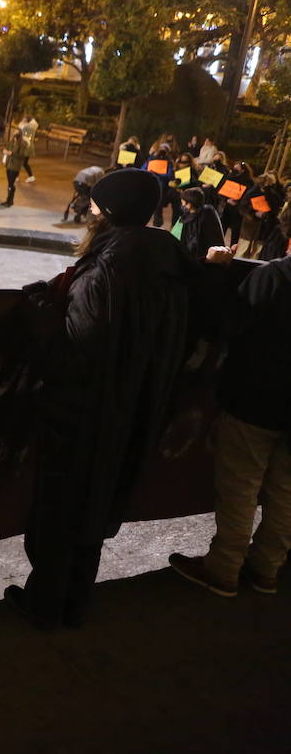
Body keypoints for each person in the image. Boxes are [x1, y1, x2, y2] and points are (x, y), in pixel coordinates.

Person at [6, 169, 198, 631]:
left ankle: (46, 604)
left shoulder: (106, 272)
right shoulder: (169, 261)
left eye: (94, 204)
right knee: (96, 507)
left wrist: (39, 315)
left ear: (107, 213)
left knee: (60, 510)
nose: (87, 209)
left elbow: (73, 359)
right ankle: (74, 601)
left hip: (83, 415)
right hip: (136, 410)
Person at [169, 251, 291, 596]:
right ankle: (266, 567)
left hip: (258, 398)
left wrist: (216, 274)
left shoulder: (275, 277)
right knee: (285, 491)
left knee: (241, 485)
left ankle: (224, 567)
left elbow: (225, 324)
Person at [171, 188, 225, 259]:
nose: (182, 205)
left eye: (183, 202)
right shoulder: (209, 211)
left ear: (189, 204)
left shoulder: (202, 217)